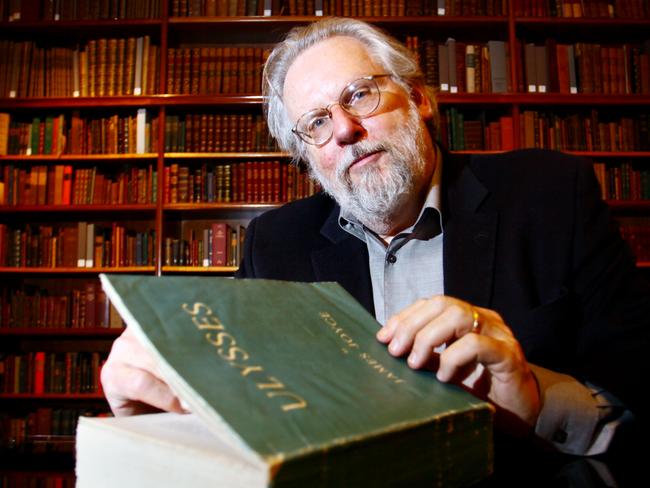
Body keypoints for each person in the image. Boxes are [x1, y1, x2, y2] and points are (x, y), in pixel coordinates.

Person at [101, 18, 649, 460]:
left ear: (418, 98)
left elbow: (635, 394)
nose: (343, 130)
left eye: (360, 95)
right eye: (315, 123)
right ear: (308, 155)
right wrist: (168, 430)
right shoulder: (275, 243)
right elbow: (246, 419)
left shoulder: (550, 194)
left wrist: (534, 403)